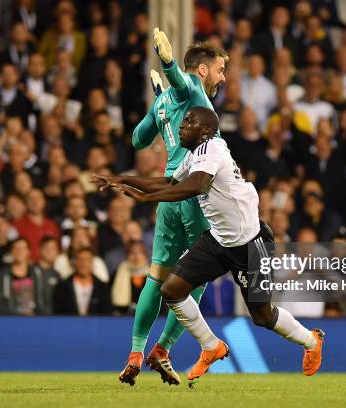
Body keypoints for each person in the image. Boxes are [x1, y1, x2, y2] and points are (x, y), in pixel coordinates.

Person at [93, 106, 324, 384]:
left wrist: (145, 200)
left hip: (252, 243)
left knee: (263, 316)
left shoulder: (211, 149)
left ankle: (311, 341)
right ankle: (211, 346)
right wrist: (122, 179)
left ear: (205, 131)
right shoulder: (194, 155)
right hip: (220, 239)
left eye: (189, 121)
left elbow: (197, 186)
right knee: (172, 289)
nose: (182, 125)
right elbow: (169, 181)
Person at [108, 29, 228, 385]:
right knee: (199, 275)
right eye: (220, 69)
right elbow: (181, 80)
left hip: (167, 196)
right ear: (202, 70)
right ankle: (162, 350)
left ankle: (135, 352)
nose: (222, 77)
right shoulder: (193, 88)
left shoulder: (167, 102)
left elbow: (137, 140)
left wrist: (162, 108)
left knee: (156, 275)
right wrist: (168, 62)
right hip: (193, 195)